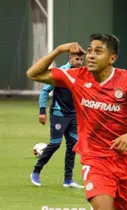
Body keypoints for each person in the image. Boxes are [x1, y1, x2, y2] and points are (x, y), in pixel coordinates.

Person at [26, 33, 127, 210]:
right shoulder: (76, 76)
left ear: (112, 58)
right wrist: (58, 50)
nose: (91, 55)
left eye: (98, 51)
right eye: (89, 51)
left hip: (126, 159)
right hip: (95, 159)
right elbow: (33, 73)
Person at [30, 52, 84, 188]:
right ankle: (36, 171)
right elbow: (44, 91)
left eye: (81, 59)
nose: (79, 62)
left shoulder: (82, 74)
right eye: (76, 59)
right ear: (70, 58)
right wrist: (42, 111)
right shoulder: (61, 73)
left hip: (73, 115)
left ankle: (68, 180)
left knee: (73, 146)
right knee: (55, 144)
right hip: (59, 113)